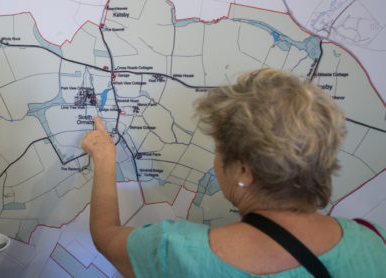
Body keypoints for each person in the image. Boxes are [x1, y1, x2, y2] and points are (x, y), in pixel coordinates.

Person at [82, 68, 386, 277]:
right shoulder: (374, 242)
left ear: (243, 170)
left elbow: (106, 235)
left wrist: (106, 157)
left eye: (219, 148)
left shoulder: (179, 253)